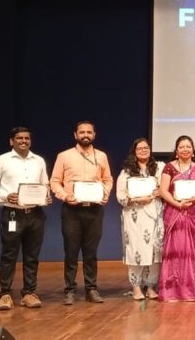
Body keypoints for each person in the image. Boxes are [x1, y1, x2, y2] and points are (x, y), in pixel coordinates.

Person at [0, 126, 51, 310]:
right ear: (11, 141)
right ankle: (5, 293)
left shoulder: (39, 161)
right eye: (19, 138)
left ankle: (29, 293)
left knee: (32, 256)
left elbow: (45, 183)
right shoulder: (1, 161)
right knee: (9, 255)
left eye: (27, 138)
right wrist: (6, 196)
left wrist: (46, 195)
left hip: (35, 213)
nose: (23, 141)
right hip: (12, 213)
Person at [50, 120, 114, 305]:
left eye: (89, 132)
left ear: (94, 135)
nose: (85, 135)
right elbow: (54, 181)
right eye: (82, 132)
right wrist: (64, 195)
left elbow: (108, 179)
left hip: (94, 210)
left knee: (91, 253)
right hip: (72, 210)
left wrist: (105, 193)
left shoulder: (101, 156)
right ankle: (69, 290)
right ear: (75, 135)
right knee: (71, 252)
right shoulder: (64, 156)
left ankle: (91, 289)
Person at [158, 135, 195, 302]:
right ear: (176, 151)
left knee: (191, 253)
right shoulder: (169, 168)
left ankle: (189, 289)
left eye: (188, 146)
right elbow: (164, 191)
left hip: (194, 213)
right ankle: (171, 291)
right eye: (182, 147)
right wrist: (178, 204)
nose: (185, 149)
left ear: (193, 150)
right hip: (175, 212)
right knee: (176, 252)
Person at [115, 138, 164, 300]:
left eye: (146, 147)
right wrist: (136, 200)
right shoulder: (127, 172)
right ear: (134, 152)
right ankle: (136, 288)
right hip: (135, 216)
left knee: (155, 252)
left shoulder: (159, 168)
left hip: (155, 215)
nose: (144, 150)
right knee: (136, 250)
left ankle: (150, 287)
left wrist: (160, 192)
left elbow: (168, 188)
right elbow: (120, 196)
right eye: (140, 148)